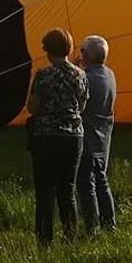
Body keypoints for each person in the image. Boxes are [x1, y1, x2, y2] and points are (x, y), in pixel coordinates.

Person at [26, 28, 88, 245]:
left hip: (46, 136)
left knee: (45, 191)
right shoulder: (81, 75)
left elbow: (32, 107)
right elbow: (82, 105)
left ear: (48, 51)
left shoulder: (43, 75)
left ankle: (44, 240)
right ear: (69, 49)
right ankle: (70, 237)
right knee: (67, 189)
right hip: (73, 137)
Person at [77, 34, 117, 234]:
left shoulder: (85, 78)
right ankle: (109, 223)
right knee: (101, 180)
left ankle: (92, 228)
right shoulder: (110, 74)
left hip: (88, 137)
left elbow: (78, 105)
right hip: (104, 136)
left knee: (86, 183)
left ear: (85, 54)